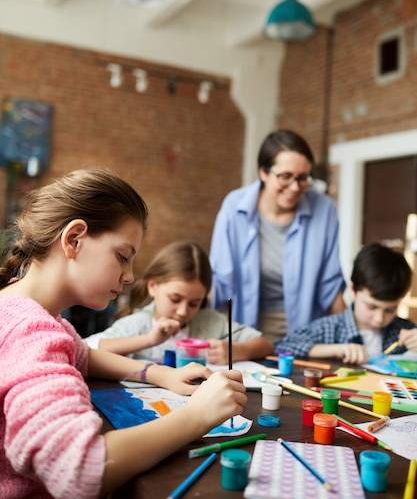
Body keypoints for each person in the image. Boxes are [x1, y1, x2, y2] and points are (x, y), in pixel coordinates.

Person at [0, 168, 247, 499]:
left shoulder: (23, 305)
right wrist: (198, 415)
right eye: (122, 257)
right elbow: (80, 470)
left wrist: (159, 373)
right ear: (74, 239)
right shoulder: (30, 331)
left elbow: (83, 354)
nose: (130, 276)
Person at [210, 129, 346, 340]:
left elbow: (330, 284)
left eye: (303, 178)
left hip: (306, 333)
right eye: (285, 177)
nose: (294, 187)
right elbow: (220, 280)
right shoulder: (234, 207)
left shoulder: (324, 208)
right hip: (247, 331)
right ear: (263, 172)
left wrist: (351, 336)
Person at [85, 240, 274, 364]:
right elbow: (86, 348)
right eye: (175, 299)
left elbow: (265, 344)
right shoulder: (138, 325)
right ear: (153, 287)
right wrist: (149, 340)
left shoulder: (210, 322)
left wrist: (236, 350)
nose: (183, 312)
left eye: (194, 303)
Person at [274, 243, 417, 363]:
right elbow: (282, 347)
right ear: (353, 289)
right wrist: (337, 349)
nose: (379, 318)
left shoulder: (405, 329)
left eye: (390, 310)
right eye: (371, 307)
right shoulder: (329, 328)